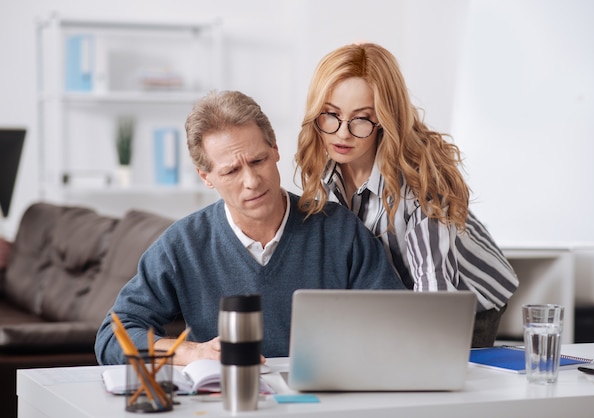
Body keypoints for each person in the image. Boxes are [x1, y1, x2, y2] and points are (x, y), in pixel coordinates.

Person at [95, 90, 403, 365]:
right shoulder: (183, 244)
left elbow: (396, 321)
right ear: (206, 177)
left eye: (258, 161)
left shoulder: (339, 230)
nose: (252, 182)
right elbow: (113, 336)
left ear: (275, 150)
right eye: (231, 171)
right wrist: (193, 353)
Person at [294, 43, 519, 347]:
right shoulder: (329, 168)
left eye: (361, 118)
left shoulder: (418, 188)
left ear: (385, 120)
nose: (342, 133)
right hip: (403, 297)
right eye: (331, 114)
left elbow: (435, 293)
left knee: (440, 380)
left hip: (466, 299)